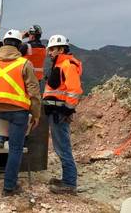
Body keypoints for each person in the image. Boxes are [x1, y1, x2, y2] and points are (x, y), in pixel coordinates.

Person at [0, 29, 41, 196]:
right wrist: (36, 115)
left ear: (4, 44)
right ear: (19, 45)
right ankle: (9, 187)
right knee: (16, 149)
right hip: (18, 112)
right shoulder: (24, 64)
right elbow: (34, 92)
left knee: (0, 126)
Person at [43, 34, 83, 195]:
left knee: (63, 148)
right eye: (49, 49)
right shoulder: (59, 65)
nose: (50, 52)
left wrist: (66, 111)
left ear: (61, 49)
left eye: (53, 49)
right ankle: (66, 179)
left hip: (59, 113)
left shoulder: (67, 65)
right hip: (55, 113)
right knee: (61, 148)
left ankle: (69, 183)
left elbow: (75, 91)